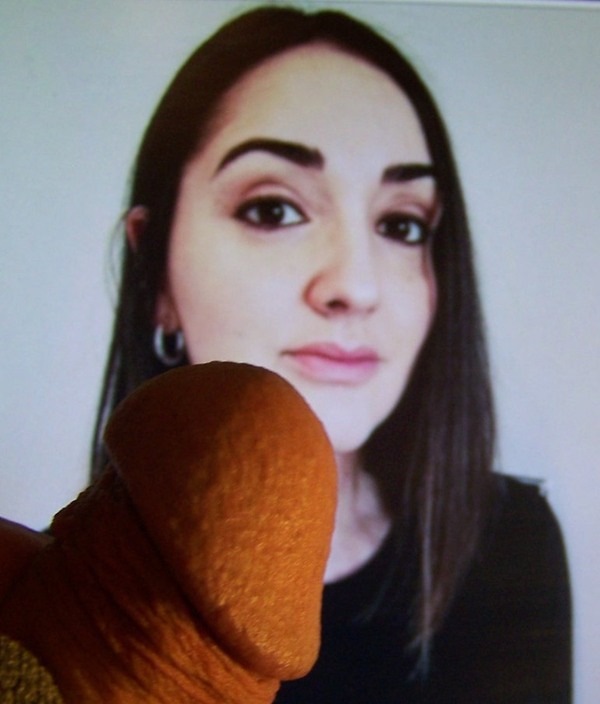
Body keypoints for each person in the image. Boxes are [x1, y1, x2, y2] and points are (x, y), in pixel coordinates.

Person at [90, 6, 571, 703]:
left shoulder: (509, 548)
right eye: (273, 209)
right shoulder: (54, 595)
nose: (357, 285)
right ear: (154, 274)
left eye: (401, 224)